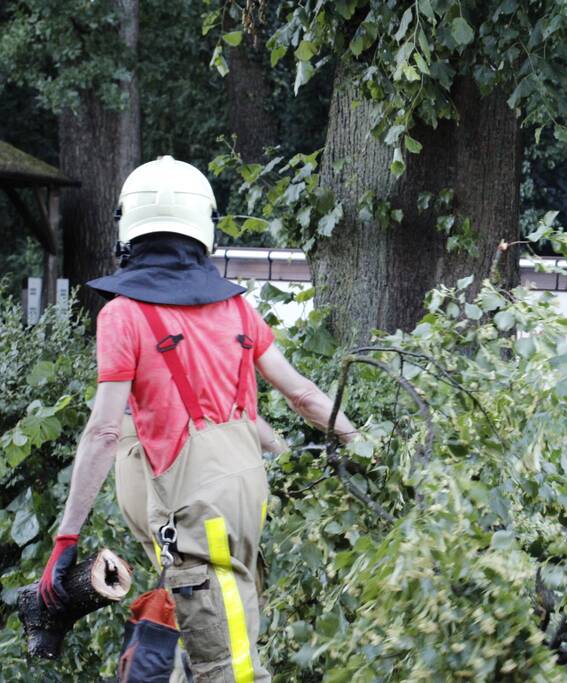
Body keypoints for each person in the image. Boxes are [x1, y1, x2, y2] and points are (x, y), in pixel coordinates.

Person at [37, 155, 358, 682]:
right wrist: (362, 444)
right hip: (245, 506)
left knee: (226, 668)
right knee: (228, 636)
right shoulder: (235, 309)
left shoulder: (124, 314)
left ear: (129, 228)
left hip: (193, 519)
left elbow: (103, 430)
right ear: (203, 225)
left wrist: (66, 540)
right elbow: (302, 394)